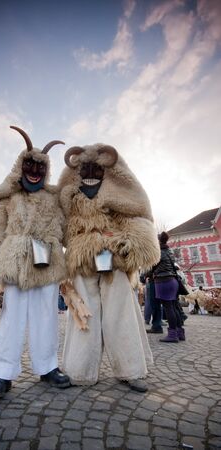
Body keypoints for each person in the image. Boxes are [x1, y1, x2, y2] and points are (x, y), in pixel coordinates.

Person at [58, 143, 160, 392]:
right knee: (83, 312)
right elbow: (59, 227)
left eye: (97, 168)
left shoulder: (121, 197)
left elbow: (137, 220)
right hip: (82, 260)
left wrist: (126, 245)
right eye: (85, 168)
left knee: (121, 312)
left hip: (113, 258)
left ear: (108, 171)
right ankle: (79, 369)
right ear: (76, 171)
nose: (91, 173)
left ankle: (130, 369)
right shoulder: (69, 198)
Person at [0, 126, 70, 402]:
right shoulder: (9, 196)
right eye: (29, 164)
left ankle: (48, 367)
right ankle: (2, 374)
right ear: (21, 166)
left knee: (47, 317)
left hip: (48, 261)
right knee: (11, 318)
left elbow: (67, 229)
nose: (34, 170)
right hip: (16, 261)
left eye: (39, 166)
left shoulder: (55, 197)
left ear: (46, 170)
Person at [152, 231, 186, 343]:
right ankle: (180, 332)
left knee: (168, 308)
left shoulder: (158, 253)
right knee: (174, 307)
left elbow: (150, 267)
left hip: (163, 281)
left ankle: (172, 335)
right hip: (173, 281)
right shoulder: (169, 251)